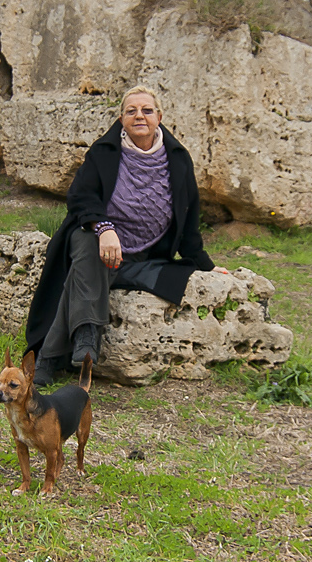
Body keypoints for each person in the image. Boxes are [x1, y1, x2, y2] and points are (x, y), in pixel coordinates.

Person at [24, 86, 228, 386]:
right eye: (131, 111)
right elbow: (80, 196)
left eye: (147, 110)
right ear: (121, 119)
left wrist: (206, 266)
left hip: (142, 256)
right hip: (93, 237)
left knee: (82, 276)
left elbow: (188, 220)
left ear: (159, 117)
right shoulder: (104, 153)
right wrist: (104, 228)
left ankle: (48, 357)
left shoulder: (179, 160)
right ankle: (87, 336)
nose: (139, 116)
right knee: (89, 247)